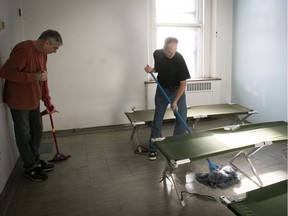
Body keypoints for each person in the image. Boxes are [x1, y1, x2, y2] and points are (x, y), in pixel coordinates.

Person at [0, 29, 63, 181]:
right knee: (24, 135)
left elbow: (43, 80)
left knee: (37, 130)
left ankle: (34, 161)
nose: (55, 52)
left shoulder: (43, 54)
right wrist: (32, 76)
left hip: (33, 99)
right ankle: (29, 167)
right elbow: (4, 72)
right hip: (19, 100)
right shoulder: (24, 49)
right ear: (46, 43)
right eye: (54, 48)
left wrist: (47, 102)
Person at [144, 37, 191, 161]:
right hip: (162, 90)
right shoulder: (157, 54)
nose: (172, 54)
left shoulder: (179, 59)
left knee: (181, 120)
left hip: (177, 90)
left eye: (174, 51)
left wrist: (175, 101)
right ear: (164, 48)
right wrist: (151, 70)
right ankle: (153, 148)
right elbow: (159, 68)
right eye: (169, 52)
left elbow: (183, 83)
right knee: (158, 119)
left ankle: (177, 148)